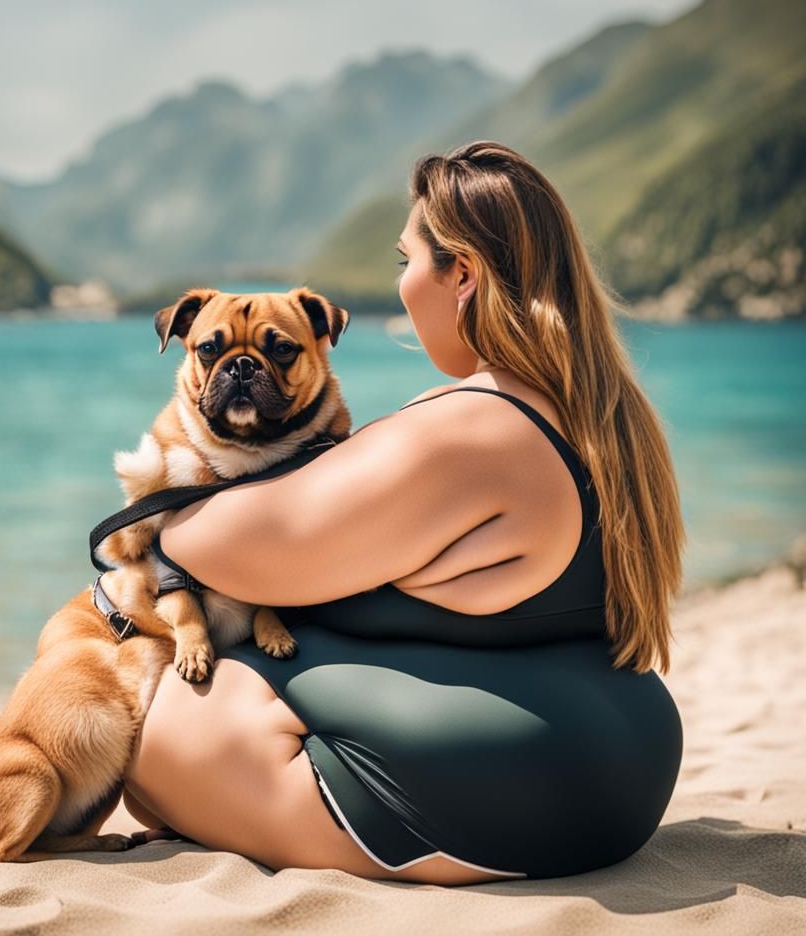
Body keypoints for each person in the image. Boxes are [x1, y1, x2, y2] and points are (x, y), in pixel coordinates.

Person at [121, 140, 686, 886]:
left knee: (148, 728)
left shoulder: (468, 427)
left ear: (463, 275)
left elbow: (225, 547)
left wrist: (165, 482)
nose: (404, 285)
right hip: (621, 772)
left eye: (405, 261)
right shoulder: (596, 412)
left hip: (518, 802)